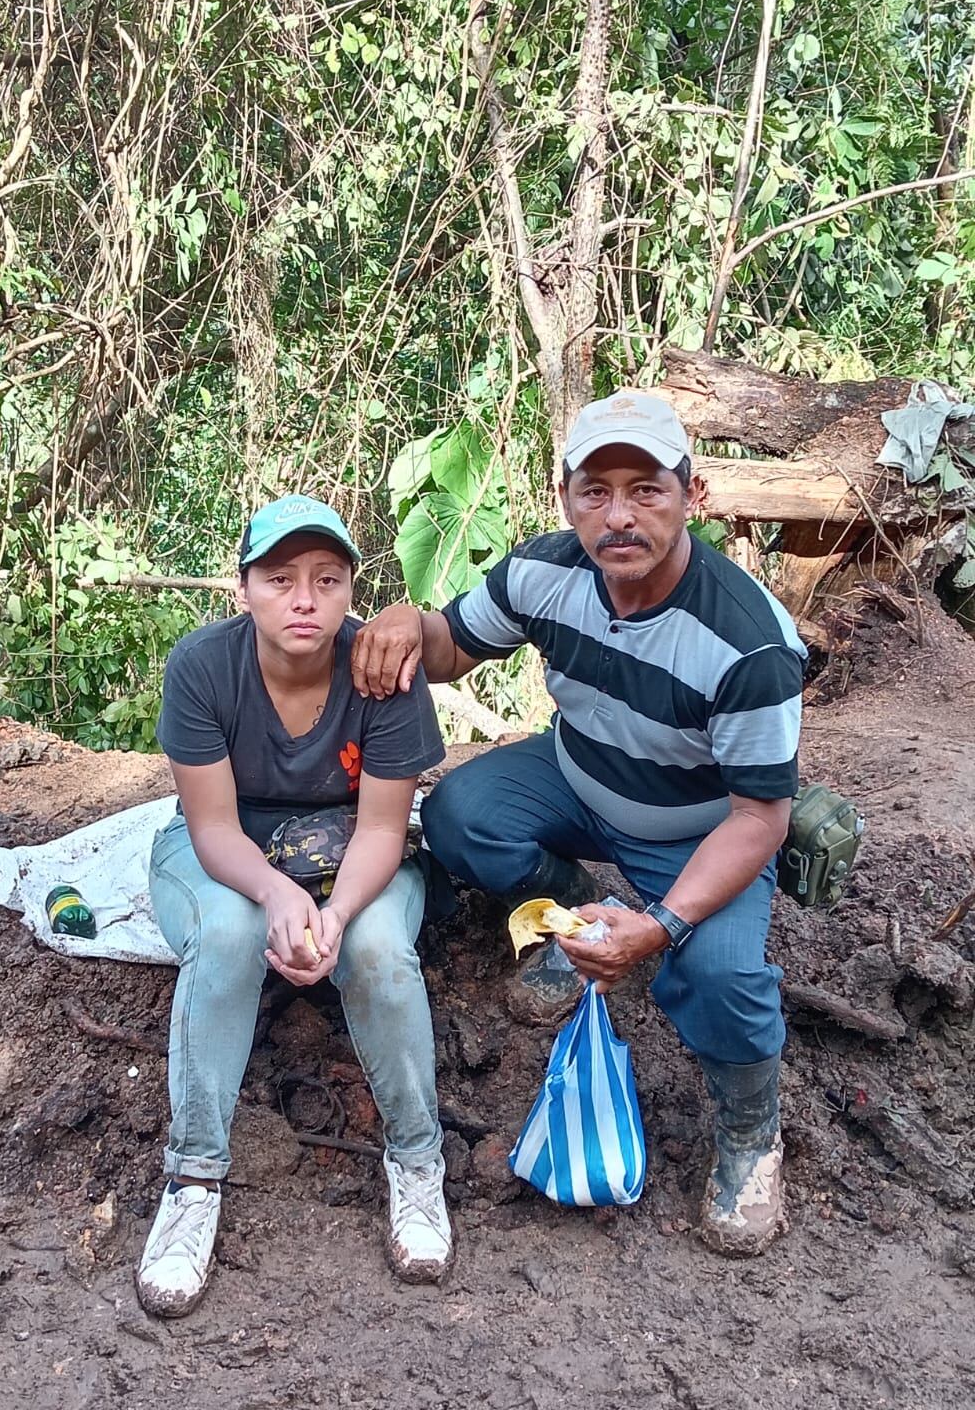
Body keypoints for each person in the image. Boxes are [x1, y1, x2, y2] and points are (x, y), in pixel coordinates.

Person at [352, 392, 806, 1259]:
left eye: (646, 489)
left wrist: (664, 925)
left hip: (700, 827)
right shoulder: (544, 573)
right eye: (596, 491)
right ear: (565, 498)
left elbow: (761, 818)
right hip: (576, 775)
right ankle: (578, 911)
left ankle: (751, 1131)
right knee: (459, 816)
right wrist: (411, 622)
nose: (619, 515)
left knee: (718, 973)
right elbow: (453, 646)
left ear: (693, 494)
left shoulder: (748, 644)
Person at [136, 495, 451, 1318]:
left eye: (327, 579)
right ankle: (193, 1180)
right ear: (243, 589)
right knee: (230, 932)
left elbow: (383, 829)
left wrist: (336, 915)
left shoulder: (382, 670)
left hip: (350, 852)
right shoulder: (204, 667)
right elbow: (211, 826)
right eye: (280, 579)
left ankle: (418, 1162)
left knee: (377, 949)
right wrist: (276, 892)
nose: (304, 599)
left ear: (351, 589)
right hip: (228, 850)